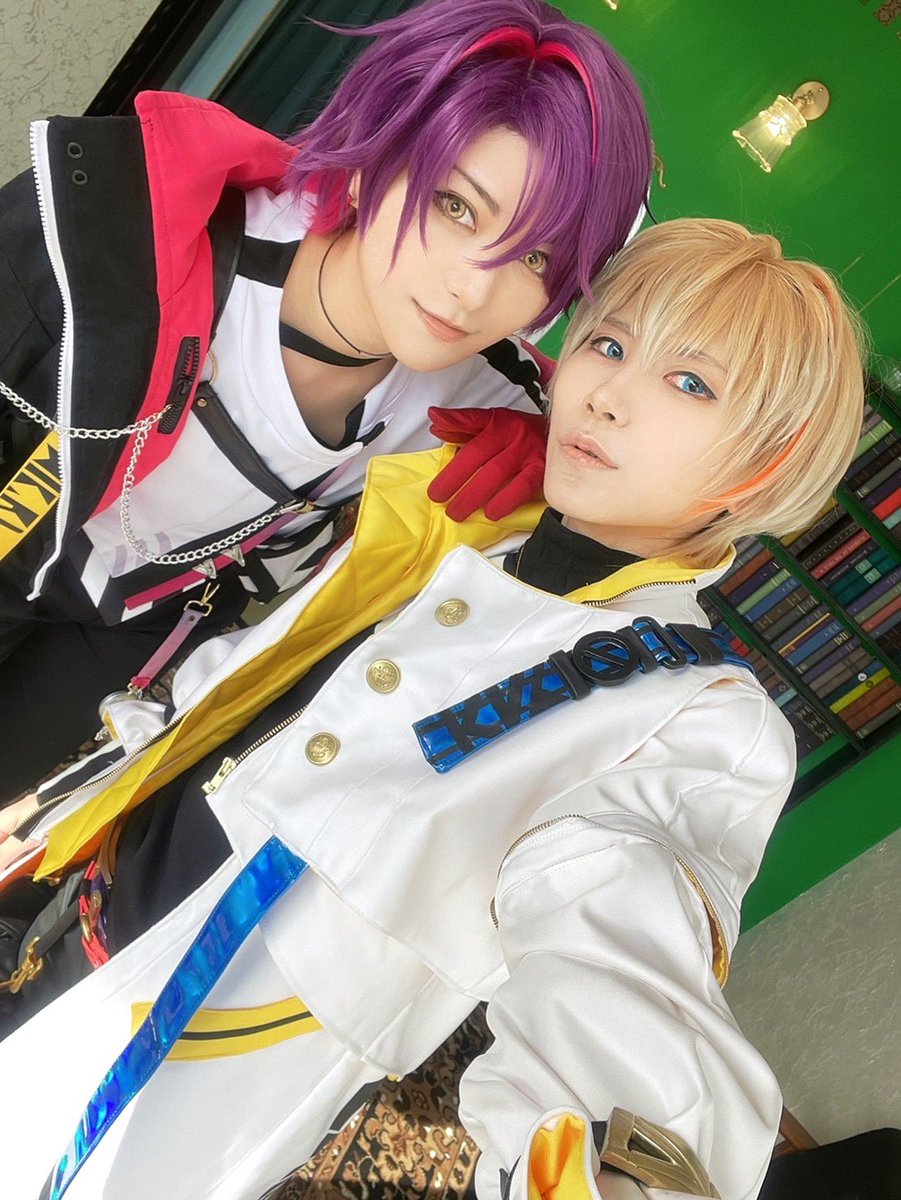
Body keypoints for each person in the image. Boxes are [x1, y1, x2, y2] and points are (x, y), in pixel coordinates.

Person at [0, 218, 865, 1200]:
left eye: (689, 383)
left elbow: (621, 934)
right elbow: (255, 699)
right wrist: (61, 809)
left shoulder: (697, 711)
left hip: (139, 1088)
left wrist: (622, 1163)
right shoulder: (474, 542)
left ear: (766, 463)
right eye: (608, 343)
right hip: (68, 916)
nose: (608, 394)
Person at [0, 0, 651, 796]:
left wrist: (555, 463)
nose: (473, 289)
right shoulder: (113, 236)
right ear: (375, 158)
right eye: (455, 208)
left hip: (128, 624)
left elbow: (646, 521)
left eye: (536, 258)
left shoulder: (487, 393)